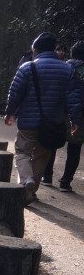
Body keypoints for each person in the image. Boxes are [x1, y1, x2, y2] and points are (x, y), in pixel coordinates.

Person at [4, 32, 82, 204]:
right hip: (53, 122)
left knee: (22, 152)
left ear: (36, 49)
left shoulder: (27, 68)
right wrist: (74, 121)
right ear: (54, 49)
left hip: (28, 122)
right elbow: (74, 98)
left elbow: (15, 93)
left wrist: (10, 112)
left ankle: (26, 181)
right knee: (42, 156)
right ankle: (31, 193)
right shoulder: (68, 70)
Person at [44, 40, 84, 192]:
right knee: (74, 149)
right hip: (80, 116)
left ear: (71, 53)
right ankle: (65, 182)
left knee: (53, 143)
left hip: (59, 112)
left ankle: (47, 176)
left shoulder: (62, 67)